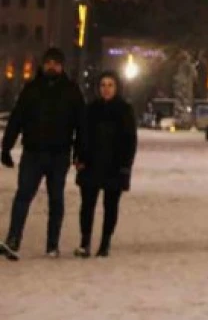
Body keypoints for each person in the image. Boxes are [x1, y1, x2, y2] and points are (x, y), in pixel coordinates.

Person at [0, 47, 85, 261]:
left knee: (56, 200)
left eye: (56, 63)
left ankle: (52, 245)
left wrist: (80, 153)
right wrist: (6, 147)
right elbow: (17, 118)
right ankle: (13, 239)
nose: (52, 66)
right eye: (49, 62)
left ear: (62, 66)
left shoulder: (71, 91)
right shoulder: (32, 89)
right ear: (43, 64)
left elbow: (81, 125)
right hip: (33, 153)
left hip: (59, 155)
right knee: (23, 196)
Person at [74, 71, 138, 258]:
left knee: (111, 205)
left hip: (114, 165)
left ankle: (105, 243)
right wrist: (78, 157)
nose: (106, 89)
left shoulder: (124, 110)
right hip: (91, 163)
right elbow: (81, 135)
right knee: (87, 205)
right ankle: (85, 242)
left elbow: (130, 140)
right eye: (103, 85)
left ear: (117, 88)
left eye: (110, 85)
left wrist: (126, 164)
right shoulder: (90, 109)